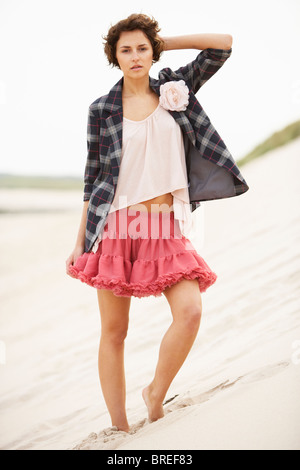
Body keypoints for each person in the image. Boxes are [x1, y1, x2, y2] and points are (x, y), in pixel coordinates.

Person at [66, 13, 249, 433]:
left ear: (153, 50)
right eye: (125, 50)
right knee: (115, 331)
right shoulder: (102, 110)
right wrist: (81, 242)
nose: (135, 57)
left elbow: (223, 43)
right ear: (114, 56)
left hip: (164, 226)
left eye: (142, 48)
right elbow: (92, 179)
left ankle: (155, 392)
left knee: (189, 311)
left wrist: (165, 41)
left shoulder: (175, 87)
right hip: (115, 227)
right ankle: (119, 428)